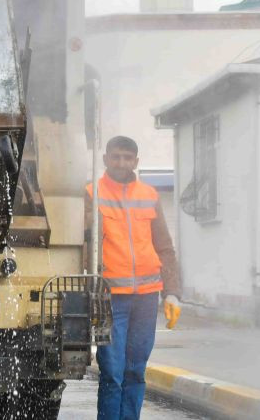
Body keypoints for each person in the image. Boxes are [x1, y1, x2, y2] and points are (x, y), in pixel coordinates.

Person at [86, 136, 182, 420]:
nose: (121, 162)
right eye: (116, 157)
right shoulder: (92, 193)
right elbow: (83, 247)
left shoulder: (149, 195)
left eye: (127, 158)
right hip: (109, 299)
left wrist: (172, 292)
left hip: (147, 298)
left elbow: (164, 247)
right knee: (112, 372)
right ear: (105, 159)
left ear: (136, 162)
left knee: (136, 371)